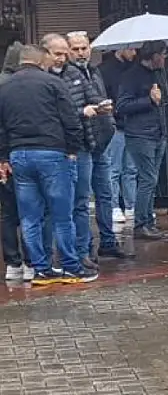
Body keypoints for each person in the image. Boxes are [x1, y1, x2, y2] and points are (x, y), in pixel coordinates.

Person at [0, 44, 97, 285]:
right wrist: (73, 149)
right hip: (52, 153)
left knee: (30, 217)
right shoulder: (52, 83)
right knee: (61, 214)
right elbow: (70, 119)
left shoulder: (4, 87)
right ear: (39, 61)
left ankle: (41, 269)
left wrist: (4, 156)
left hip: (19, 155)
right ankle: (71, 267)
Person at [63, 32, 131, 262]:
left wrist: (107, 118)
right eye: (76, 49)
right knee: (81, 199)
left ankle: (108, 241)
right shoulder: (67, 74)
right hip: (81, 144)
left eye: (84, 48)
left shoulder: (94, 71)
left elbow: (98, 98)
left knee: (105, 194)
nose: (81, 53)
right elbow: (69, 110)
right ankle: (84, 249)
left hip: (100, 141)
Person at [116, 41, 168, 240]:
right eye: (163, 54)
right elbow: (122, 105)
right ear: (153, 55)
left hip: (157, 133)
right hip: (140, 134)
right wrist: (149, 100)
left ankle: (149, 221)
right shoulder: (131, 76)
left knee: (152, 179)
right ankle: (141, 223)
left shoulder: (157, 74)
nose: (165, 58)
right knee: (147, 179)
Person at [0, 42, 32, 282]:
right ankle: (31, 260)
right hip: (19, 152)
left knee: (8, 212)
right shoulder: (17, 85)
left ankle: (12, 262)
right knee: (30, 209)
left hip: (5, 157)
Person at [99, 47, 137, 224]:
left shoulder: (133, 68)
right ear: (121, 48)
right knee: (113, 168)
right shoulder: (104, 70)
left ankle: (131, 206)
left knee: (131, 169)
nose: (134, 53)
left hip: (131, 124)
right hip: (115, 125)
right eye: (131, 49)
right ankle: (114, 206)